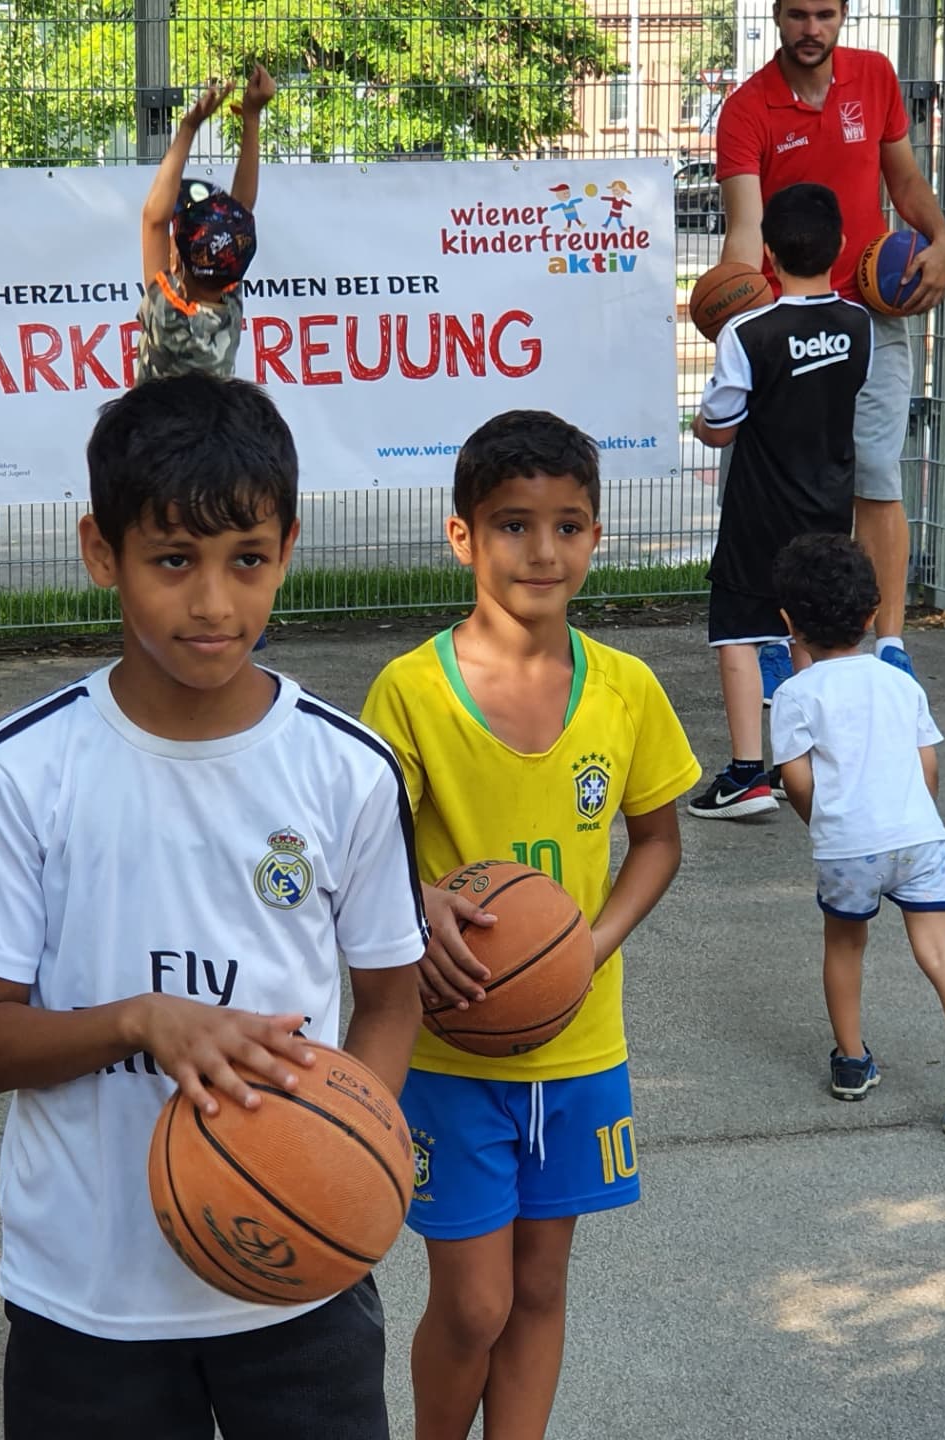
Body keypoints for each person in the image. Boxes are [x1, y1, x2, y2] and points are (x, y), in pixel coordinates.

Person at [0, 374, 428, 1440]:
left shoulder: (347, 770)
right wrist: (141, 1020)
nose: (213, 603)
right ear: (100, 552)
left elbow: (390, 1000)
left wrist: (342, 1154)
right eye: (172, 560)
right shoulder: (25, 770)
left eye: (247, 560)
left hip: (300, 1282)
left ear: (288, 550)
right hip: (87, 1294)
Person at [360, 411, 700, 1440]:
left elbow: (658, 841)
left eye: (567, 526)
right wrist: (415, 903)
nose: (543, 550)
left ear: (595, 534)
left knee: (542, 1288)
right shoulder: (412, 691)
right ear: (462, 536)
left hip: (581, 1044)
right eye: (513, 525)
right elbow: (361, 852)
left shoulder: (627, 690)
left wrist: (588, 947)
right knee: (475, 1303)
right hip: (450, 1048)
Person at [716, 0, 945, 688]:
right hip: (784, 321)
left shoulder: (874, 76)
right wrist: (738, 313)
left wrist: (942, 239)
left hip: (868, 314)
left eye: (825, 14)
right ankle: (771, 632)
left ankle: (888, 645)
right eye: (798, 15)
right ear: (777, 16)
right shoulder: (747, 109)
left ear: (844, 15)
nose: (811, 29)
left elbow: (904, 180)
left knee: (876, 474)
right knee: (772, 488)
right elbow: (744, 226)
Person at [770, 532, 945, 1133]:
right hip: (919, 836)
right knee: (941, 952)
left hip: (850, 847)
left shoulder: (794, 694)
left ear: (789, 623)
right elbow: (928, 765)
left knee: (845, 946)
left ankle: (851, 1062)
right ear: (872, 615)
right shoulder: (901, 683)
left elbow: (795, 777)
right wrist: (914, 817)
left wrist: (825, 825)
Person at [688, 183, 872, 821]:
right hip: (830, 510)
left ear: (766, 252)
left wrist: (700, 425)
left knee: (739, 635)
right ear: (840, 246)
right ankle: (812, 762)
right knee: (813, 633)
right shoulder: (858, 324)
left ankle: (746, 775)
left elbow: (721, 427)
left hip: (759, 512)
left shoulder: (746, 330)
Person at [136, 66, 275, 384]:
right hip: (214, 417)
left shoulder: (169, 317)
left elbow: (153, 221)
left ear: (177, 264)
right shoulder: (226, 304)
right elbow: (240, 212)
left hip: (154, 418)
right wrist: (252, 117)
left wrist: (189, 127)